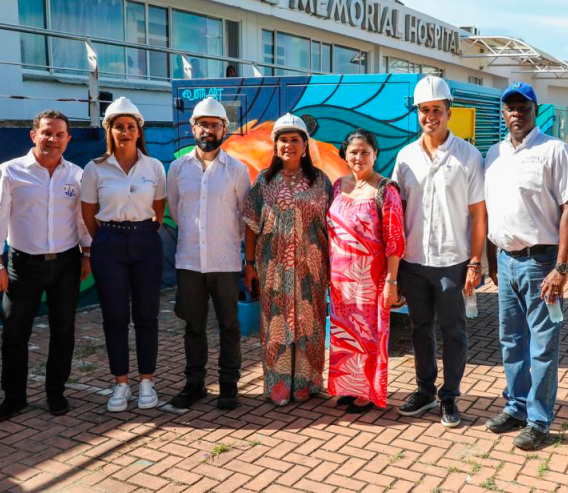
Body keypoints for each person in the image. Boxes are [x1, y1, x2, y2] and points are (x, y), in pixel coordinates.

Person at [483, 82, 568, 450]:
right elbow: (491, 209)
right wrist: (492, 260)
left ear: (535, 111)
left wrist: (562, 267)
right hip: (506, 261)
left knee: (542, 346)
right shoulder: (494, 153)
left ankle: (539, 419)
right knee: (511, 341)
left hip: (541, 264)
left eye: (523, 107)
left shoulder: (554, 150)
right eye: (510, 107)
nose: (516, 113)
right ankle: (516, 406)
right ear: (503, 113)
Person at [0, 110, 91, 424]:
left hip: (67, 264)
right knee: (14, 333)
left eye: (59, 134)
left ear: (68, 140)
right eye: (47, 133)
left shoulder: (77, 175)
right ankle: (14, 398)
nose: (52, 139)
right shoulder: (10, 171)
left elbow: (82, 219)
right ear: (34, 135)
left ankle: (56, 392)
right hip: (22, 265)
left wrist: (87, 254)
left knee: (64, 331)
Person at [392, 75, 486, 428]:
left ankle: (449, 396)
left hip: (452, 261)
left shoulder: (468, 156)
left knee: (453, 331)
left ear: (449, 112)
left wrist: (475, 262)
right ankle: (425, 390)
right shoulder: (405, 157)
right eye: (424, 110)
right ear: (417, 113)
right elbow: (396, 212)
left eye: (436, 109)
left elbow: (479, 215)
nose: (430, 116)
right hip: (414, 261)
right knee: (420, 329)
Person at [80, 97, 167, 412]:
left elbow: (159, 209)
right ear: (110, 131)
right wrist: (105, 239)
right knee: (115, 316)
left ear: (139, 131)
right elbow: (88, 212)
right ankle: (120, 383)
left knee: (146, 315)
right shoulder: (95, 168)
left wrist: (142, 232)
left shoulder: (154, 167)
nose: (125, 132)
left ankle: (147, 381)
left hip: (146, 242)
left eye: (131, 126)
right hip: (109, 243)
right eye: (119, 126)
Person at [166, 97, 251, 411]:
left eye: (214, 125)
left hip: (224, 262)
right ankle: (195, 384)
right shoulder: (177, 168)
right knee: (193, 326)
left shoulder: (237, 170)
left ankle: (229, 385)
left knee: (229, 325)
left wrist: (223, 238)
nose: (208, 130)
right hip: (189, 261)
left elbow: (244, 216)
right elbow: (177, 210)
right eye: (203, 124)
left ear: (224, 129)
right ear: (193, 128)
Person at [242, 113, 332, 406]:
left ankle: (307, 385)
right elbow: (251, 224)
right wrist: (249, 265)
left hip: (311, 269)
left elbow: (333, 227)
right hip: (273, 268)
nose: (289, 145)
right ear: (275, 145)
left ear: (305, 146)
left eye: (295, 140)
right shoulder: (264, 181)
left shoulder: (320, 181)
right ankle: (278, 387)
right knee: (276, 325)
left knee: (309, 323)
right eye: (283, 140)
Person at [328, 129, 405, 413]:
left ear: (375, 155)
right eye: (353, 152)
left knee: (369, 335)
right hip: (340, 280)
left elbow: (395, 240)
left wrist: (391, 281)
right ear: (345, 155)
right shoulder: (339, 186)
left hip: (370, 279)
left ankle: (369, 392)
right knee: (345, 335)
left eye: (365, 152)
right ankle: (350, 387)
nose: (359, 157)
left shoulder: (386, 189)